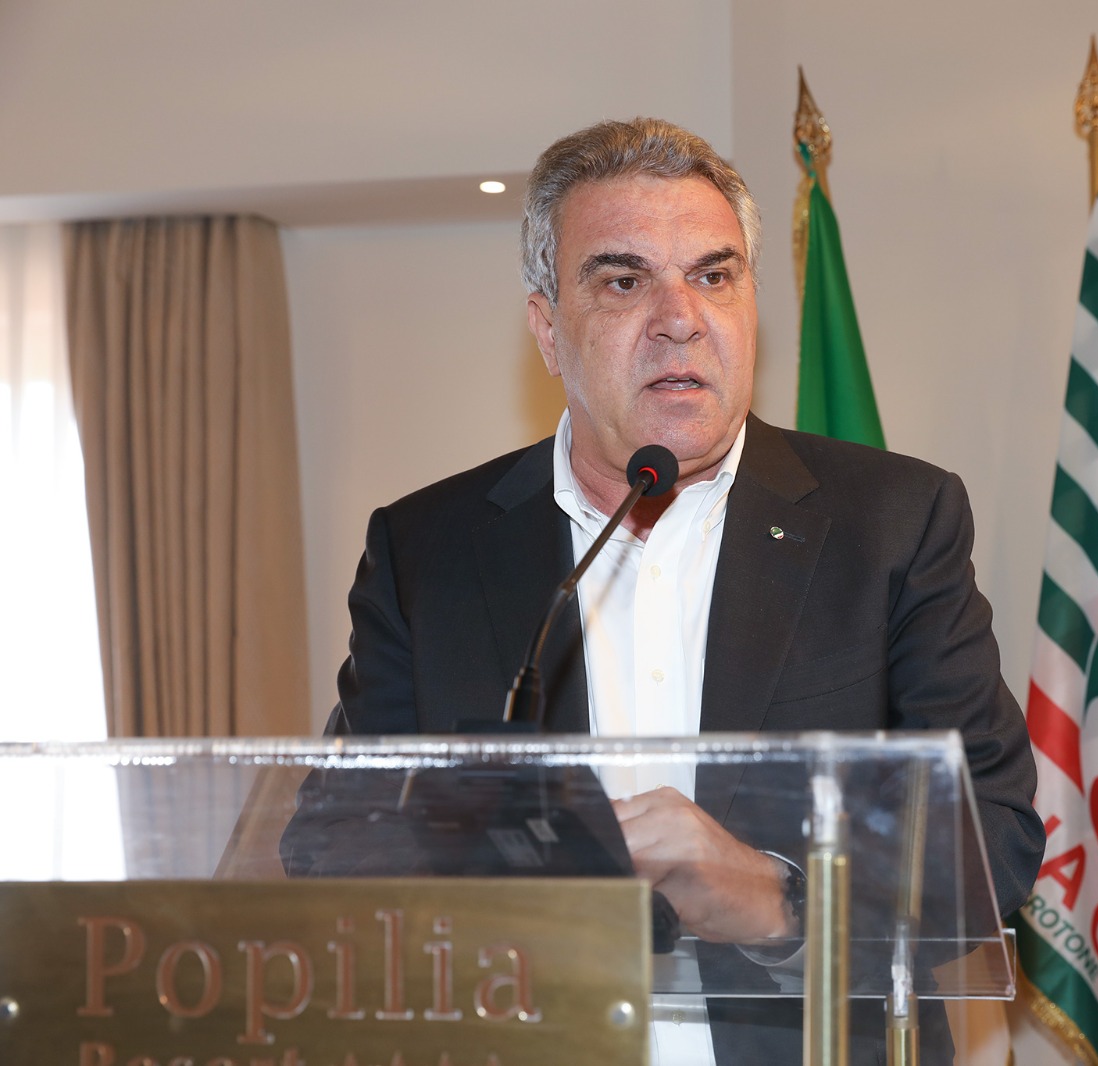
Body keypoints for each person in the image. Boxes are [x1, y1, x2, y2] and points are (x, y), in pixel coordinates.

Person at [307, 117, 1043, 1063]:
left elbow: (991, 833)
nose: (680, 317)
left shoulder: (893, 522)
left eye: (713, 275)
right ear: (548, 329)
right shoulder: (428, 549)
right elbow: (337, 840)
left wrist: (774, 897)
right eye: (623, 280)